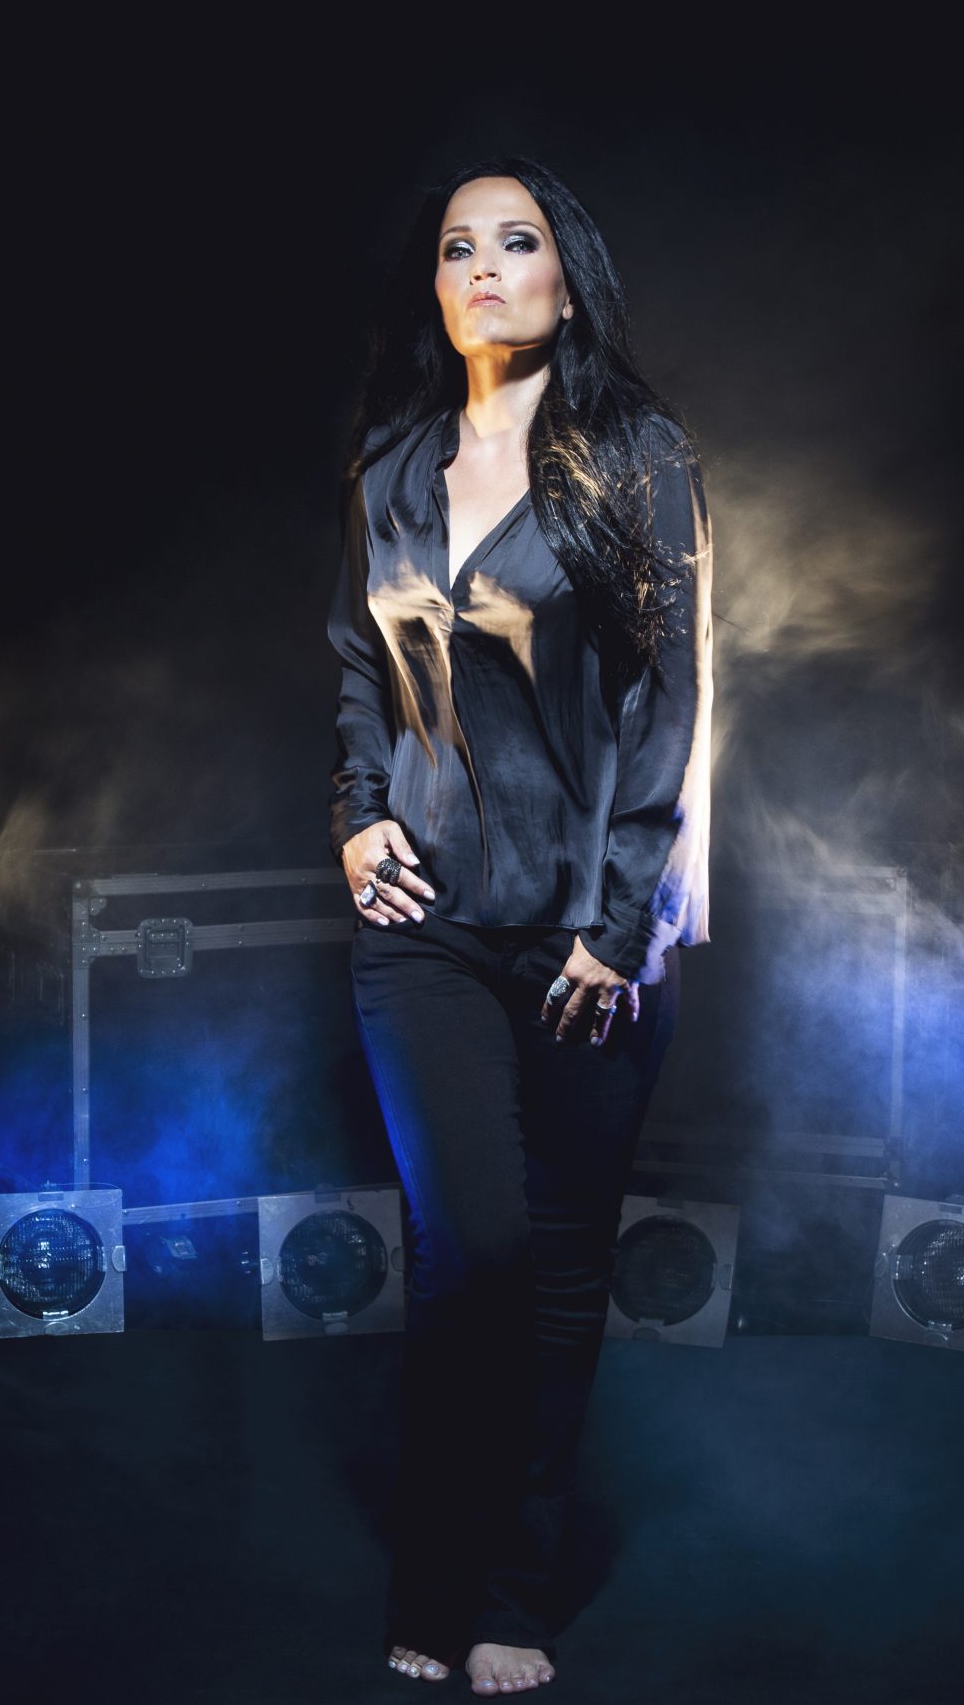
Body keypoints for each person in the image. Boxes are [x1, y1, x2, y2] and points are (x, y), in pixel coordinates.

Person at [327, 155, 715, 1695]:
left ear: (568, 276)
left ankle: (507, 1593)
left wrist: (619, 925)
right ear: (435, 286)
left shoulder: (636, 457)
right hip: (423, 925)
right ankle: (432, 1574)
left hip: (582, 932)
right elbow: (356, 662)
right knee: (470, 1251)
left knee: (557, 1274)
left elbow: (670, 699)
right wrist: (358, 811)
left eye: (518, 240)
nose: (486, 265)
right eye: (458, 247)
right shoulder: (390, 469)